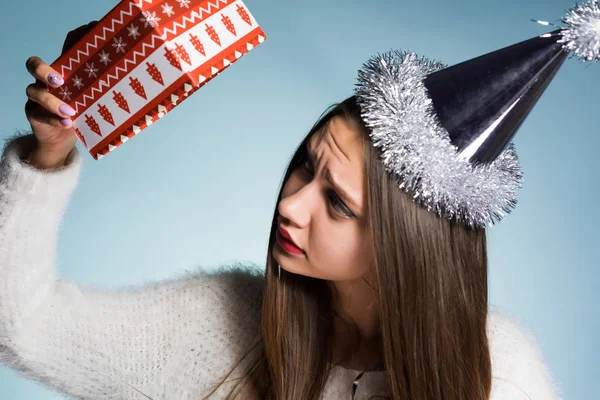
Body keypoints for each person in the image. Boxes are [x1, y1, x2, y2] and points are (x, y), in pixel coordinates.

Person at [6, 1, 599, 396]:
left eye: (337, 203)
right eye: (304, 167)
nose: (291, 205)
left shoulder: (500, 374)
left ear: (406, 245)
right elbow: (21, 330)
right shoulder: (216, 325)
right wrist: (47, 156)